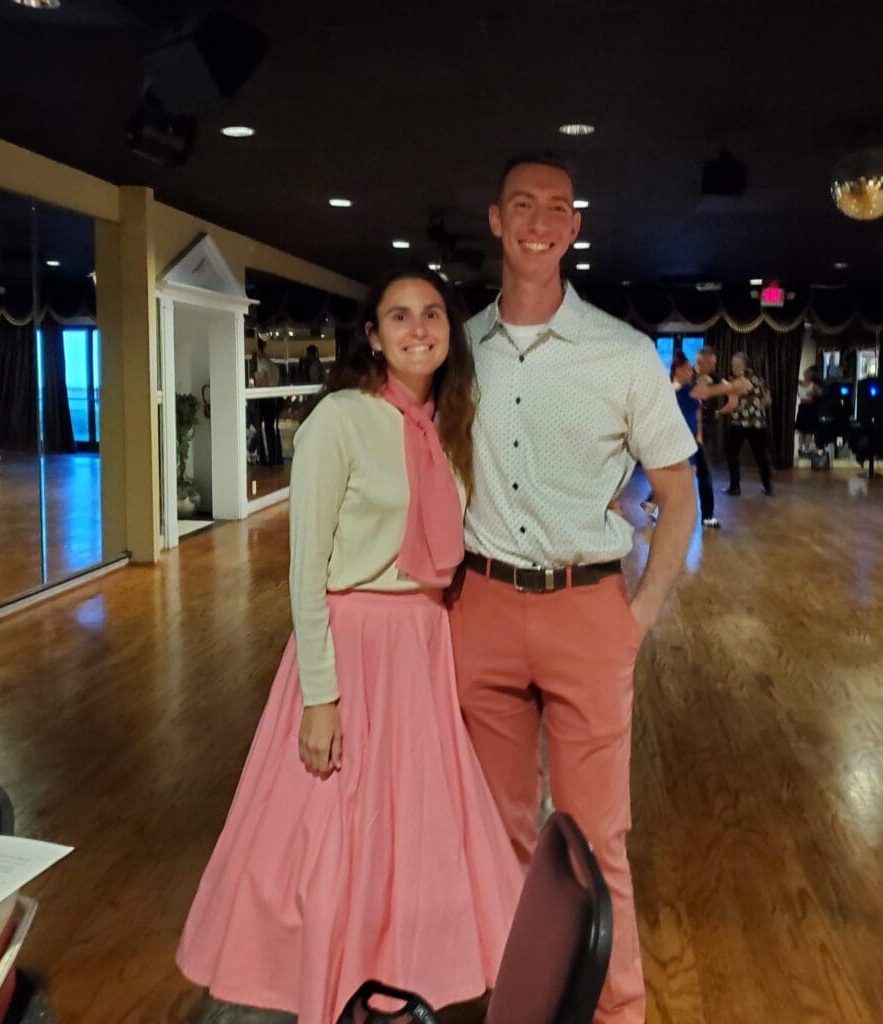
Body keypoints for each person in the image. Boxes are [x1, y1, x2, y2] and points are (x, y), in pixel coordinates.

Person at [177, 270, 523, 1022]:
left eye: (432, 314)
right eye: (398, 316)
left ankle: (398, 975)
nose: (417, 329)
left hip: (423, 644)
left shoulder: (453, 424)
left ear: (450, 332)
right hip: (355, 645)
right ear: (372, 335)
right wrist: (320, 694)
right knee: (334, 827)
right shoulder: (340, 420)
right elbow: (305, 572)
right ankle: (330, 979)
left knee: (414, 826)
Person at [448, 153, 698, 1024]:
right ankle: (516, 1006)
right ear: (496, 219)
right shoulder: (458, 351)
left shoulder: (622, 355)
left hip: (587, 609)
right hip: (480, 606)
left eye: (558, 208)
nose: (540, 222)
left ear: (575, 227)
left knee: (598, 840)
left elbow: (678, 498)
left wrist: (639, 616)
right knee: (499, 834)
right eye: (523, 204)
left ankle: (617, 1013)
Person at [641, 346, 746, 527]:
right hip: (678, 437)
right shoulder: (680, 386)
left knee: (687, 474)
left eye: (712, 363)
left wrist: (701, 433)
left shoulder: (695, 382)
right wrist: (735, 385)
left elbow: (700, 409)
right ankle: (664, 508)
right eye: (704, 363)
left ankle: (656, 504)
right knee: (682, 475)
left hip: (692, 436)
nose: (709, 366)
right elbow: (704, 393)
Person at [722, 351, 773, 496]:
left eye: (737, 365)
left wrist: (721, 412)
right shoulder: (759, 379)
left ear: (744, 365)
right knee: (760, 454)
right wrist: (756, 408)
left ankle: (735, 487)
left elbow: (732, 403)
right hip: (757, 423)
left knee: (732, 453)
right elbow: (768, 400)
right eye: (733, 365)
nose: (734, 367)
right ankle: (767, 486)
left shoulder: (733, 380)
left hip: (739, 422)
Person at [254, 338, 284, 466]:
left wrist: (255, 384)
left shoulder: (262, 364)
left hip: (265, 398)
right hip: (274, 398)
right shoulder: (273, 365)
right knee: (271, 427)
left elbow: (262, 381)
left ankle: (265, 456)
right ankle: (276, 456)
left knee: (262, 427)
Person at [795, 365, 822, 456]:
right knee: (805, 430)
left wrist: (815, 393)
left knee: (805, 430)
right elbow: (821, 393)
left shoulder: (809, 384)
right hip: (806, 407)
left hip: (806, 407)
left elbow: (820, 393)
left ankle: (803, 449)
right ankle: (803, 449)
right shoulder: (806, 384)